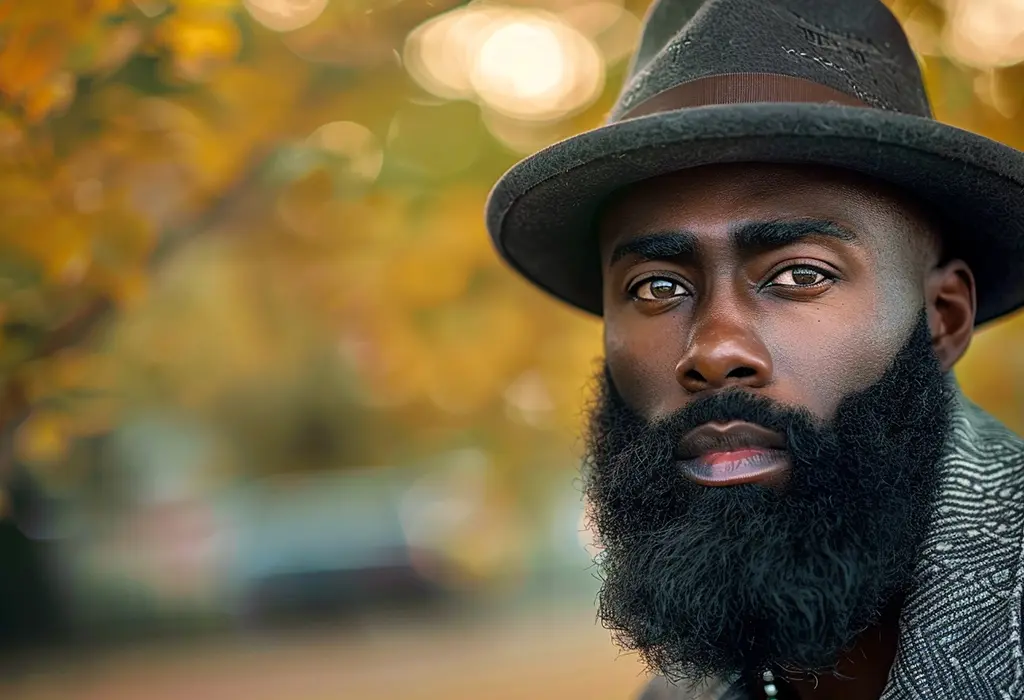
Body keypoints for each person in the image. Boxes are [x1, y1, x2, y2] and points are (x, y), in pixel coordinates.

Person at [484, 0, 1024, 698]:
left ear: (942, 319)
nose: (714, 349)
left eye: (800, 275)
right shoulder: (681, 689)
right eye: (655, 287)